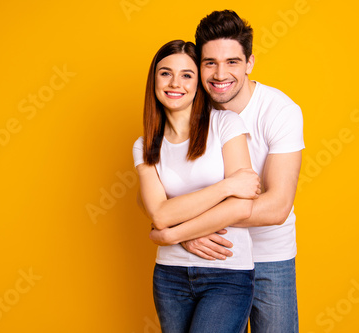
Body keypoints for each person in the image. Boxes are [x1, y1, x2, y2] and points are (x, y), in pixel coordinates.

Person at [168, 10, 305, 333]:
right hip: (209, 257)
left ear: (249, 63)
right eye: (209, 63)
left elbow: (277, 206)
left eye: (232, 62)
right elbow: (153, 193)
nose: (219, 74)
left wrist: (183, 226)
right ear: (198, 64)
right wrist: (182, 229)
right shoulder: (186, 105)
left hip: (268, 257)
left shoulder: (280, 110)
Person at [132, 39, 261, 332]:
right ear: (154, 79)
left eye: (187, 74)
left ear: (197, 83)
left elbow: (242, 205)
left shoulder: (225, 124)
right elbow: (160, 215)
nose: (175, 82)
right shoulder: (145, 146)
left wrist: (173, 234)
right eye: (165, 73)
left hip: (227, 274)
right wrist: (226, 187)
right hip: (170, 276)